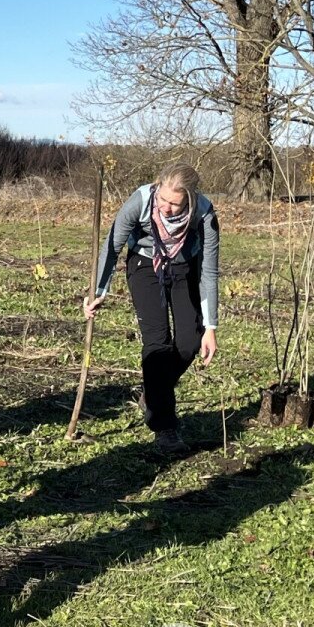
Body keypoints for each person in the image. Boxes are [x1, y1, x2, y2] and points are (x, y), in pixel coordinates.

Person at [85, 162, 220, 452]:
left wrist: (211, 327)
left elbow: (209, 271)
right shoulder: (141, 201)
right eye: (163, 200)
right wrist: (97, 291)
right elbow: (112, 245)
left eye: (175, 204)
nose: (167, 208)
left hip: (184, 266)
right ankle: (165, 428)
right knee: (157, 343)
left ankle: (153, 389)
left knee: (188, 342)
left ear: (190, 199)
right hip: (145, 265)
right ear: (157, 188)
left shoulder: (204, 214)